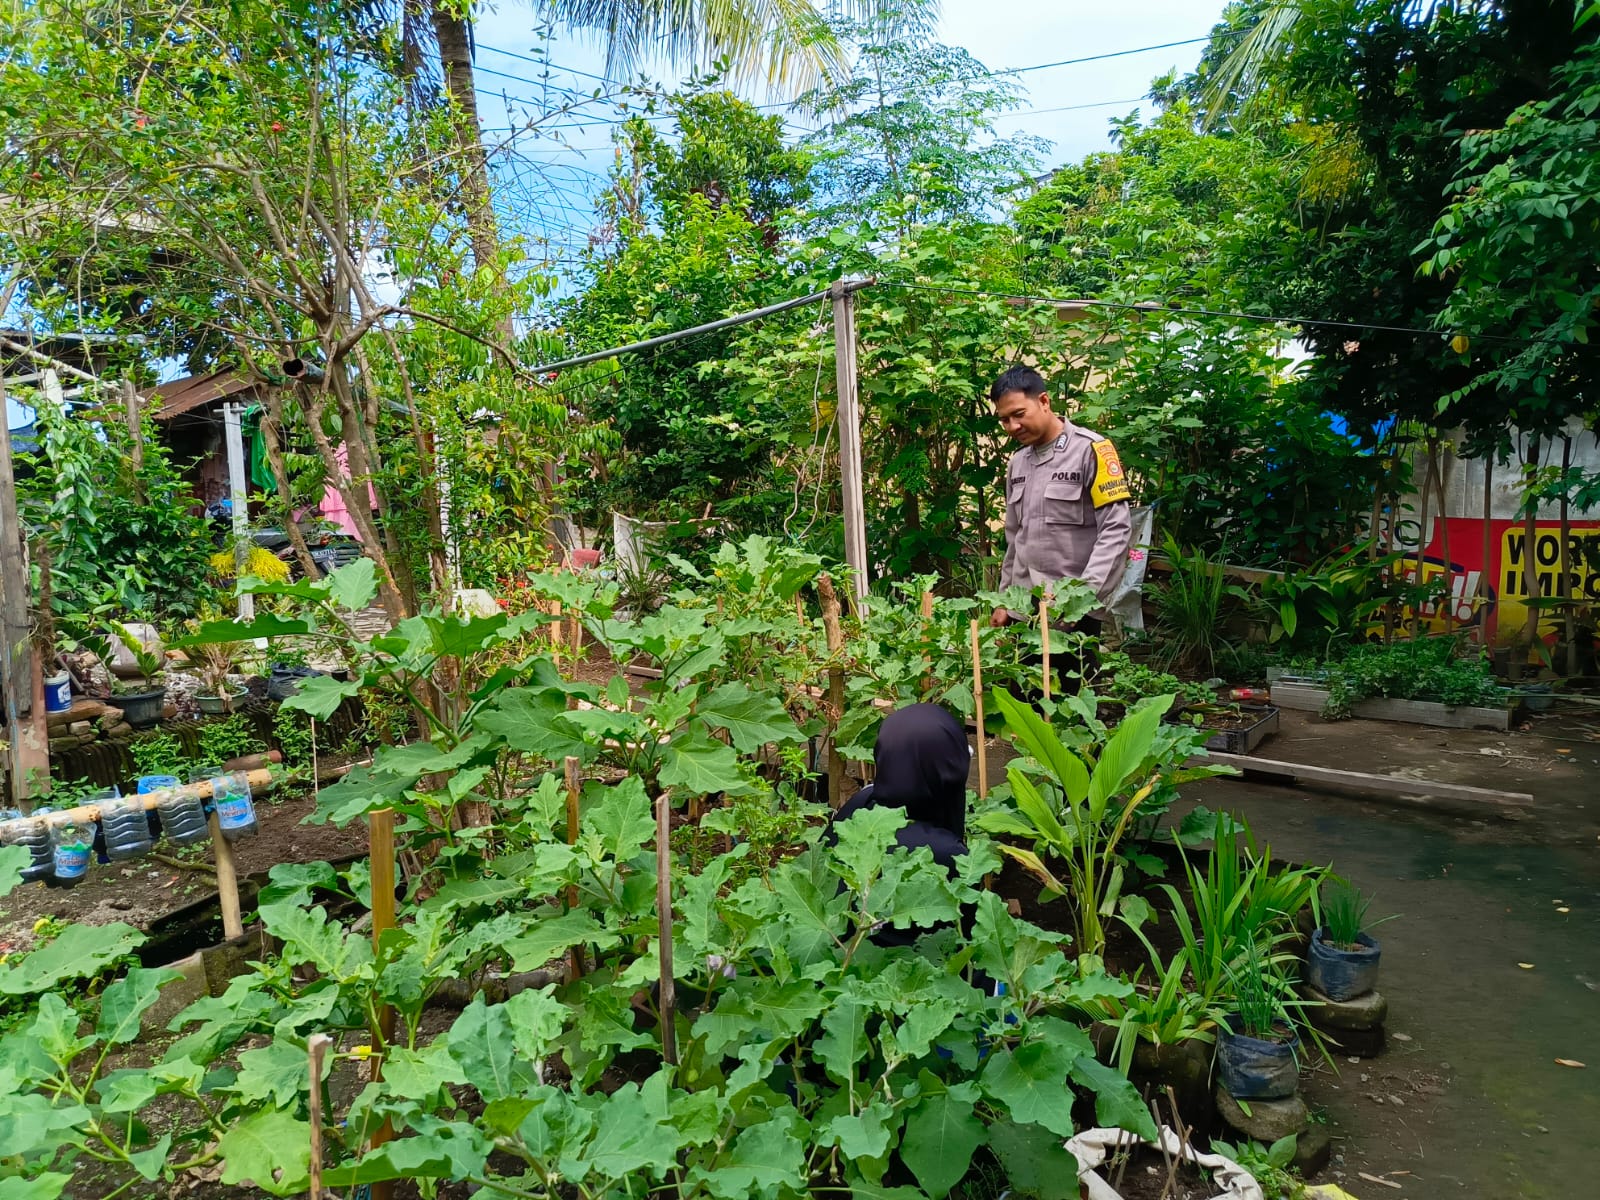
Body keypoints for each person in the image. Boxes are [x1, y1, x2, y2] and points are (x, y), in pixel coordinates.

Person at [988, 364, 1134, 676]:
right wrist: (1004, 600)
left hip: (1073, 616)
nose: (1012, 426)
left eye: (1018, 414)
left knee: (1070, 700)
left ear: (1044, 401)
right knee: (1023, 698)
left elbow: (1116, 531)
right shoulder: (1018, 464)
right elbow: (1015, 539)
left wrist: (1079, 601)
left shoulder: (1091, 451)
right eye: (1004, 420)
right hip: (1024, 613)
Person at [827, 704, 971, 947]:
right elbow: (966, 945)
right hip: (897, 967)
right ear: (950, 770)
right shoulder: (946, 854)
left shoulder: (860, 805)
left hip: (836, 953)